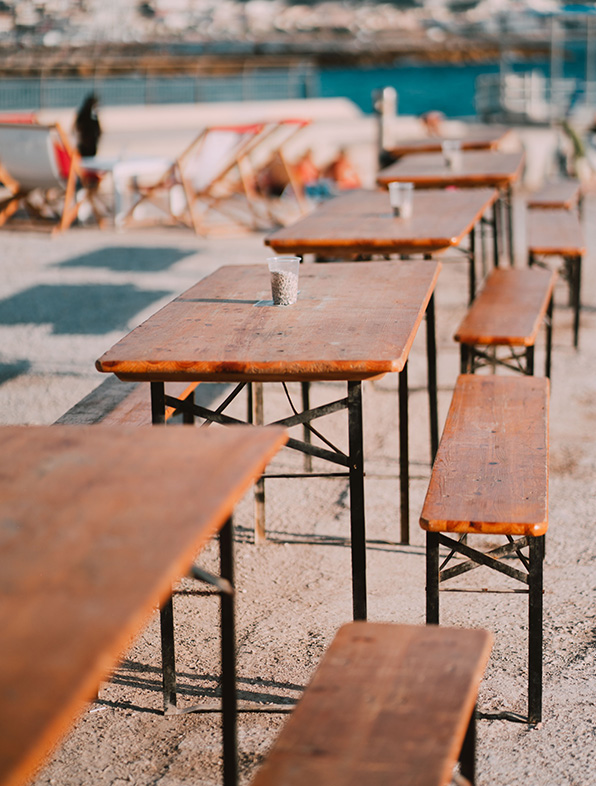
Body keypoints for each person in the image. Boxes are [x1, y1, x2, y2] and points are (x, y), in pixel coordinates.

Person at [74, 92, 101, 158]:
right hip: (89, 143)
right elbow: (99, 129)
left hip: (85, 143)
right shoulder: (92, 115)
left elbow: (76, 127)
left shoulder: (82, 114)